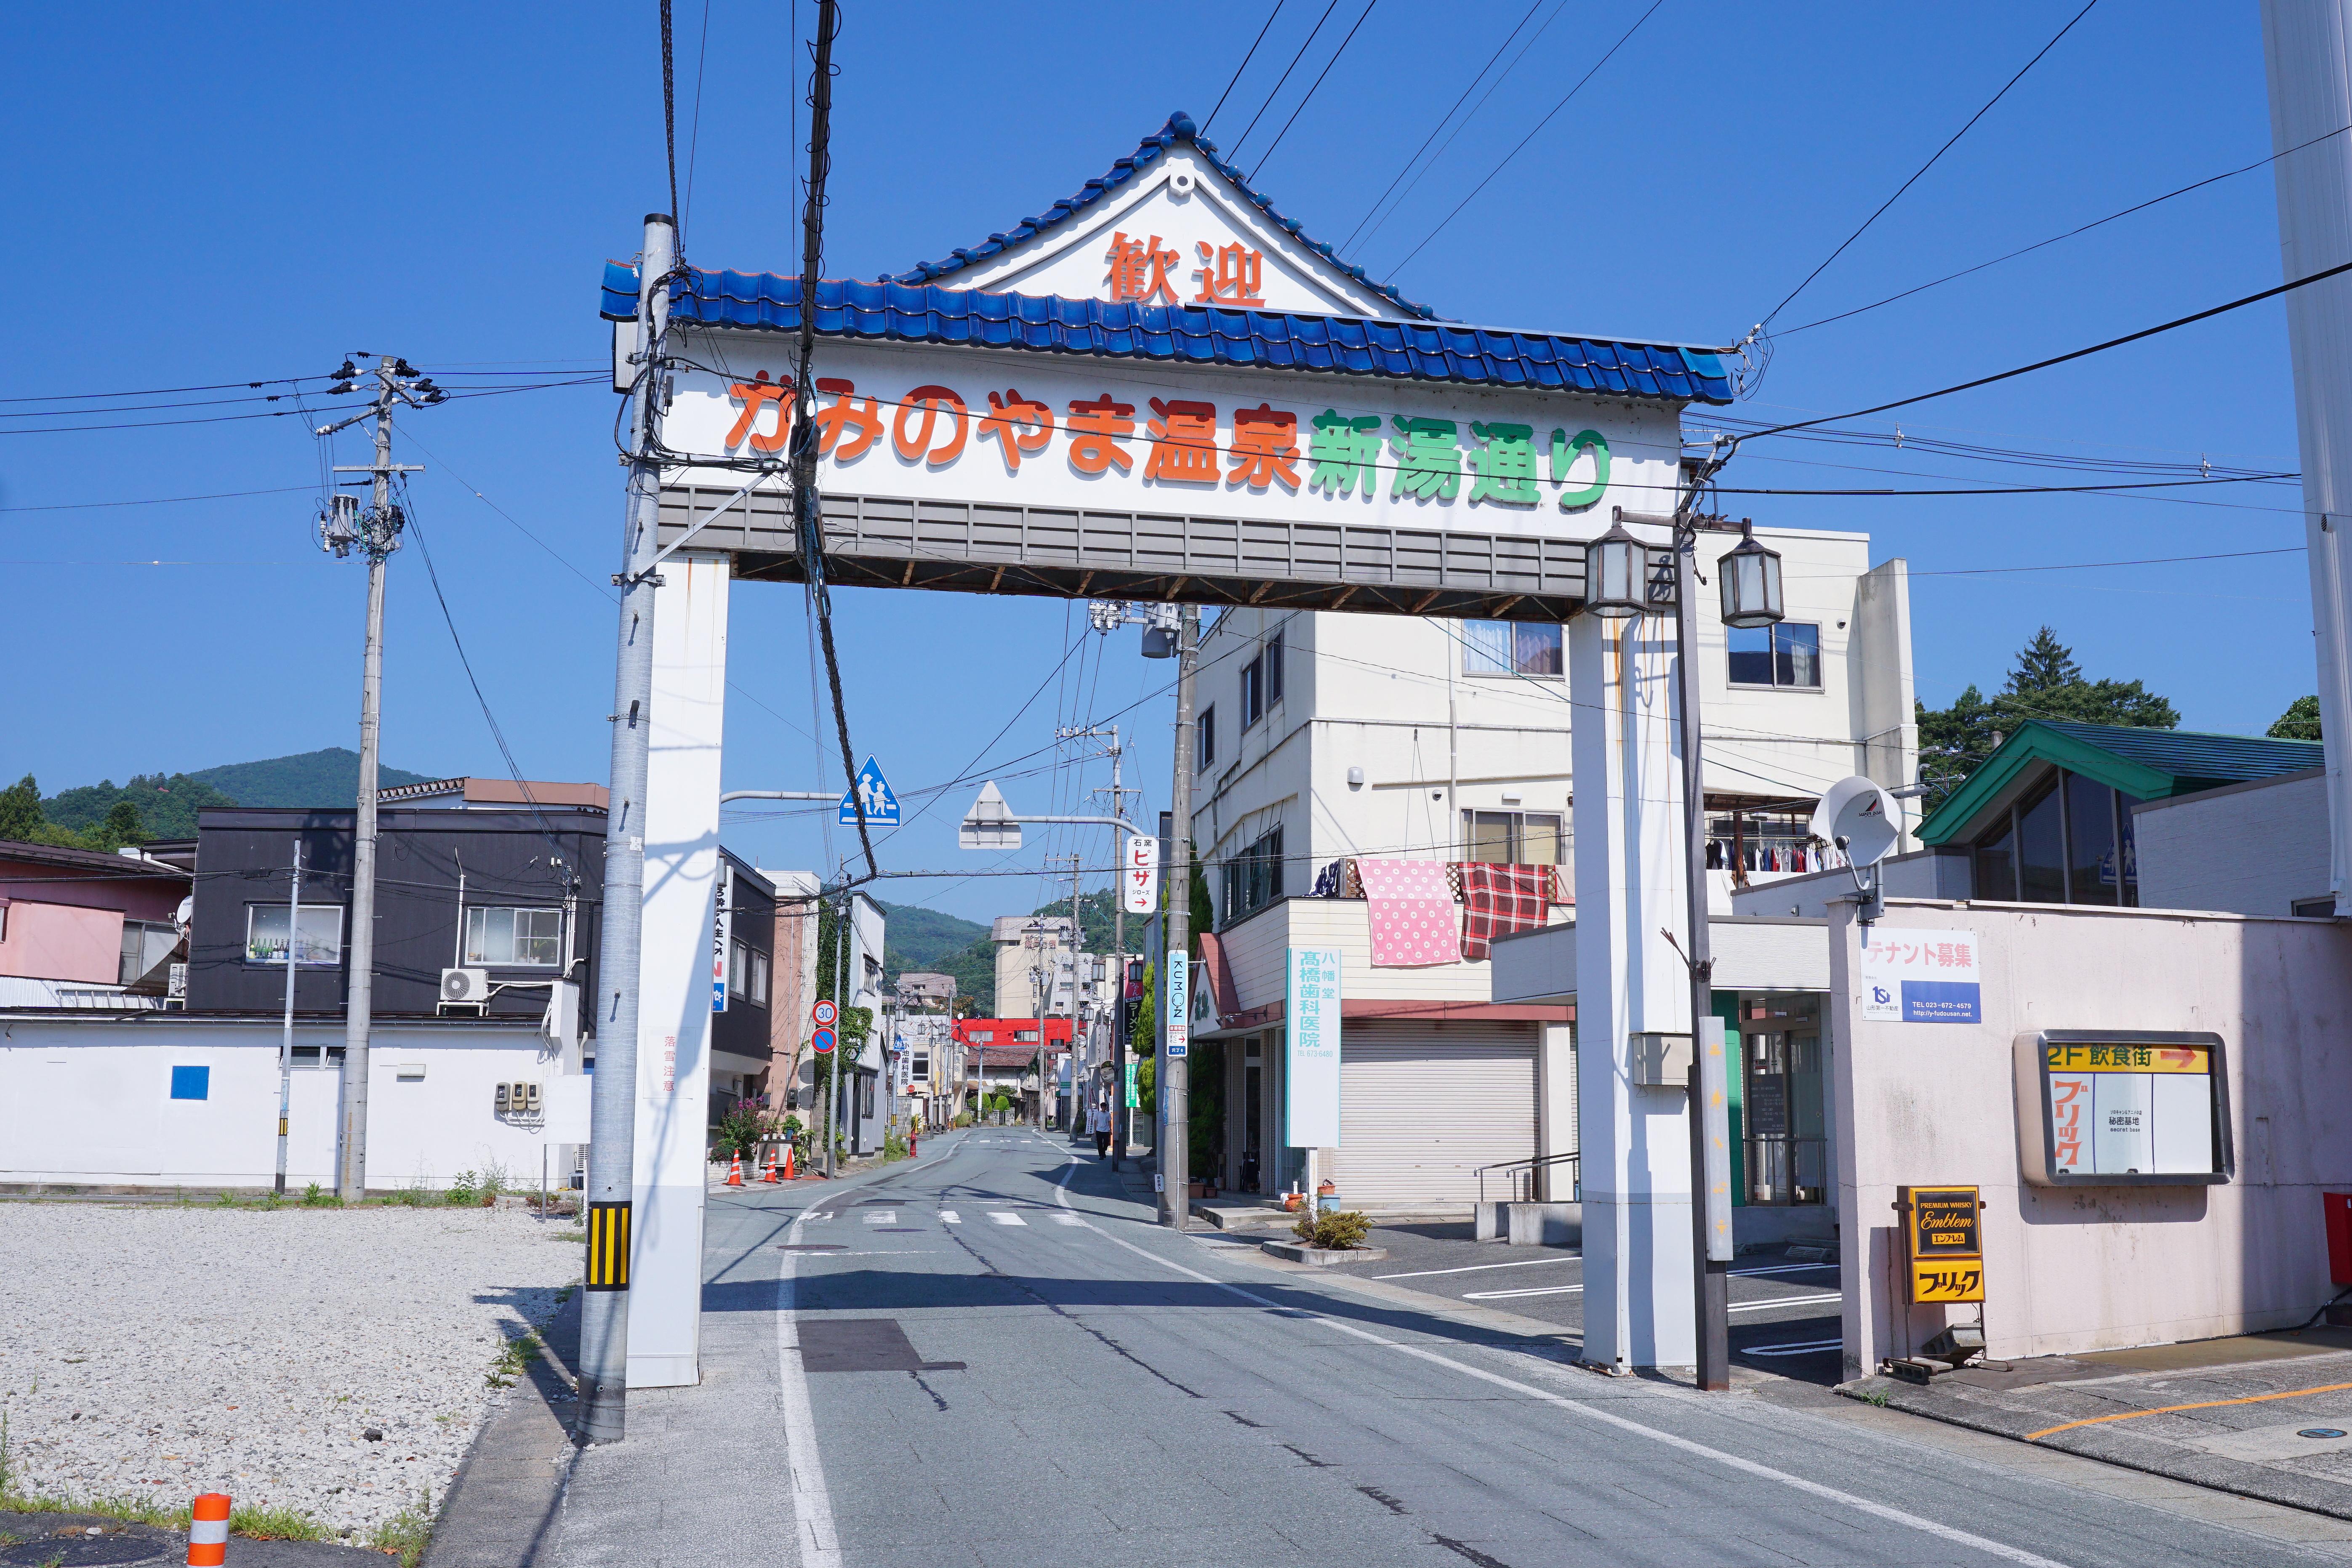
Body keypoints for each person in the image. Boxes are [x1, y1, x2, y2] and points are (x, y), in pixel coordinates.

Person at [1088, 1091, 1111, 1158]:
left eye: (1105, 1107)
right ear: (1101, 1107)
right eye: (1103, 1107)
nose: (1104, 1108)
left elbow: (1109, 1122)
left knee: (1106, 1142)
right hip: (1099, 1130)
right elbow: (1095, 1122)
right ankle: (1101, 1155)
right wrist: (1095, 1130)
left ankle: (1104, 1151)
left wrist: (1110, 1129)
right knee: (1100, 1143)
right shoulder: (1098, 1114)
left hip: (1106, 1130)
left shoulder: (1108, 1114)